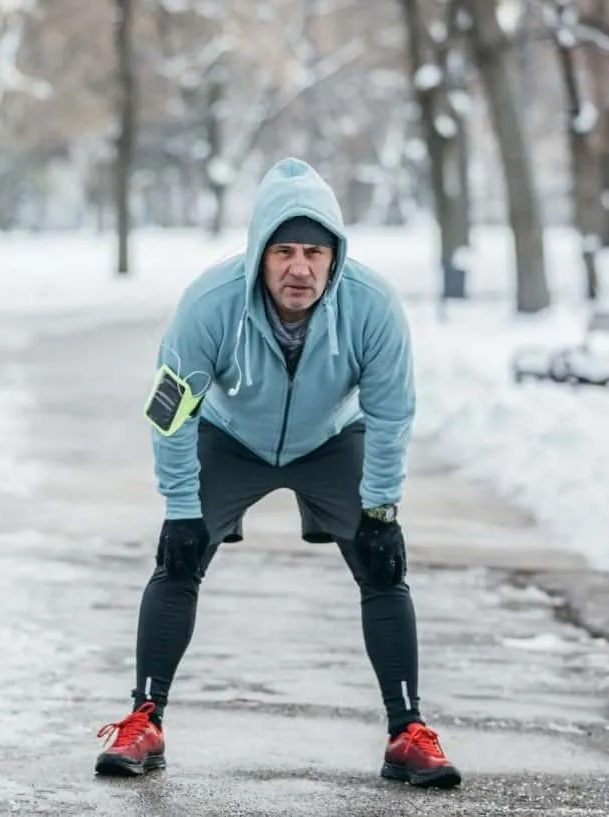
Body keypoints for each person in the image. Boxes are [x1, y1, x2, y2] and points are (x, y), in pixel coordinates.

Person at [92, 157, 461, 789]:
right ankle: (144, 718)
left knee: (383, 566)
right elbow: (170, 411)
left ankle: (408, 733)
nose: (300, 267)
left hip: (329, 439)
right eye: (284, 250)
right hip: (233, 438)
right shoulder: (209, 304)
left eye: (315, 252)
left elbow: (392, 412)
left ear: (334, 256)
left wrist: (381, 509)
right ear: (259, 253)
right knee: (177, 559)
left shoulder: (371, 305)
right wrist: (182, 508)